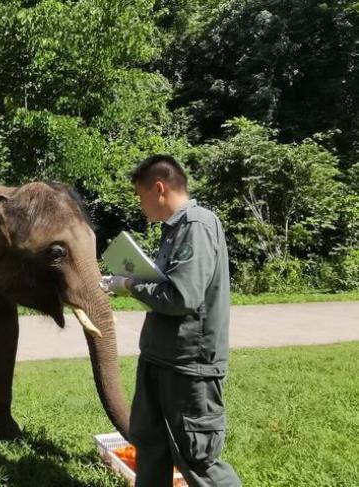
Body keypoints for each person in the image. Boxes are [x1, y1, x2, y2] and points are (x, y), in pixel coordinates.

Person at [101, 155, 241, 486]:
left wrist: (132, 285)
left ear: (159, 188)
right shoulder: (174, 230)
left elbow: (183, 297)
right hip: (159, 358)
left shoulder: (197, 226)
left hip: (188, 366)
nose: (140, 205)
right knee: (150, 448)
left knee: (198, 460)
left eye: (140, 195)